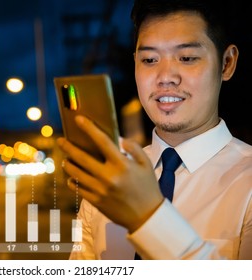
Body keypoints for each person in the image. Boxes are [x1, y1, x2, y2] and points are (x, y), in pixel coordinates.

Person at [57, 0, 252, 260]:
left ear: (227, 63)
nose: (165, 77)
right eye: (149, 59)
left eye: (187, 58)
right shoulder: (112, 178)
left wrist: (148, 217)